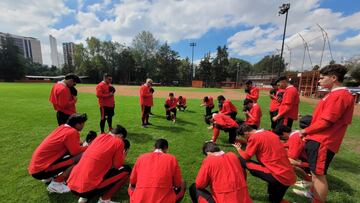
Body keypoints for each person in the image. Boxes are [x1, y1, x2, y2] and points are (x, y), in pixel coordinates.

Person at [299, 64, 354, 203]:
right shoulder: (334, 94)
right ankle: (313, 195)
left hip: (323, 141)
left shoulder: (340, 95)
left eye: (322, 78)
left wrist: (305, 130)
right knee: (315, 173)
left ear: (334, 78)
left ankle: (317, 200)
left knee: (318, 175)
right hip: (319, 139)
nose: (319, 81)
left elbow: (326, 122)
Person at [67, 125, 131, 203]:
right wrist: (124, 154)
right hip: (86, 188)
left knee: (93, 167)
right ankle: (105, 199)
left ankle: (84, 197)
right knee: (127, 170)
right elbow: (118, 165)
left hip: (72, 184)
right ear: (120, 136)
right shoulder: (118, 142)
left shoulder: (99, 137)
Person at [234, 124, 296, 203]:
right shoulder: (269, 133)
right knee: (274, 200)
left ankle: (242, 190)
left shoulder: (254, 137)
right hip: (288, 175)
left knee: (241, 160)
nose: (246, 139)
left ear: (246, 133)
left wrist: (239, 149)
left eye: (244, 137)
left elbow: (246, 157)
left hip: (277, 175)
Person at [28, 113, 88, 193]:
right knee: (80, 158)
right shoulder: (72, 132)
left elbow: (71, 146)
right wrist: (89, 147)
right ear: (77, 124)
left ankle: (48, 177)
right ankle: (56, 183)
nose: (83, 126)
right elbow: (75, 152)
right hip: (41, 170)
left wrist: (82, 144)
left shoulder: (62, 128)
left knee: (71, 157)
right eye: (83, 123)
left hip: (36, 167)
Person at [129, 139, 185, 203]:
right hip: (164, 200)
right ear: (166, 149)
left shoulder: (141, 157)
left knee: (131, 185)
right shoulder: (172, 159)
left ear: (154, 147)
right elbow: (177, 183)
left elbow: (132, 180)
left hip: (139, 199)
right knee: (182, 183)